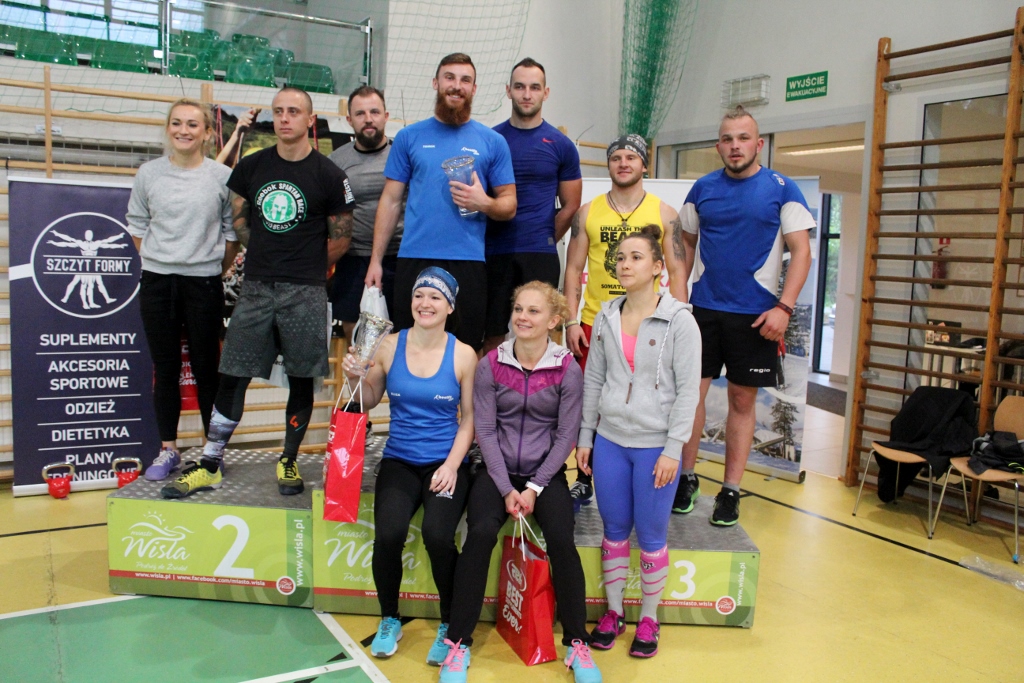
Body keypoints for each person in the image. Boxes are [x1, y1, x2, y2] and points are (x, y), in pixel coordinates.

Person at [161, 87, 355, 499]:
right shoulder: (251, 166)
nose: (285, 118)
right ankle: (210, 462)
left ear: (309, 120)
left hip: (306, 292)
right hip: (257, 288)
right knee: (233, 375)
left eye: (294, 112)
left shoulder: (330, 175)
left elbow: (341, 238)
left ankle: (288, 459)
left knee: (301, 379)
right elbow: (239, 222)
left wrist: (303, 266)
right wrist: (269, 255)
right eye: (279, 111)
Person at [438, 282, 600, 683]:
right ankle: (457, 643)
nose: (522, 318)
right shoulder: (491, 364)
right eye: (518, 309)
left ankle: (577, 643)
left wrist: (535, 487)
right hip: (497, 473)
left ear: (554, 320)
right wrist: (507, 488)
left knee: (561, 539)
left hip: (544, 476)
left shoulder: (567, 368)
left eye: (533, 311)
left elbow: (566, 435)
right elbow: (485, 430)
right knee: (480, 534)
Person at [673, 106, 813, 526]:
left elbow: (802, 252)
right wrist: (680, 301)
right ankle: (686, 478)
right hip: (702, 311)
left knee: (741, 400)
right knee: (690, 397)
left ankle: (731, 490)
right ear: (718, 146)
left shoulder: (782, 189)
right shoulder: (702, 188)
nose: (735, 146)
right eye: (727, 139)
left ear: (759, 144)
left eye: (743, 138)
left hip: (756, 316)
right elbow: (684, 245)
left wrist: (784, 308)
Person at [341, 267, 477, 665]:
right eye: (419, 295)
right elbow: (367, 400)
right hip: (399, 458)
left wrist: (452, 465)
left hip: (444, 461)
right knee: (388, 535)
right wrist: (353, 377)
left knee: (438, 536)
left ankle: (449, 624)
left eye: (435, 297)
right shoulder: (387, 345)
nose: (425, 303)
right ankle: (390, 618)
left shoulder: (464, 354)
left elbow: (470, 418)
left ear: (449, 306)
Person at [575, 225, 700, 659]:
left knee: (650, 535)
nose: (624, 264)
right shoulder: (606, 315)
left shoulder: (681, 321)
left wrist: (673, 449)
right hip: (610, 442)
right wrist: (586, 436)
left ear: (658, 267)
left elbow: (688, 393)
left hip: (655, 448)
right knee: (613, 531)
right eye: (620, 258)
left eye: (635, 257)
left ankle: (649, 617)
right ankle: (614, 612)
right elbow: (594, 380)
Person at [562, 134, 686, 509]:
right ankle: (584, 477)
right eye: (616, 157)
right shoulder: (587, 212)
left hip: (649, 326)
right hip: (595, 322)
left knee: (646, 399)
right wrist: (570, 321)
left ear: (644, 164)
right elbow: (573, 269)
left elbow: (677, 271)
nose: (623, 163)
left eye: (631, 157)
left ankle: (649, 472)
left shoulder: (666, 213)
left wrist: (678, 321)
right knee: (589, 401)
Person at [365, 52, 516, 351]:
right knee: (408, 350)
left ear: (474, 89)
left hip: (468, 261)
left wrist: (483, 202)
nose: (456, 86)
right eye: (449, 77)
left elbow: (509, 204)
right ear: (436, 83)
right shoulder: (409, 137)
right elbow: (391, 201)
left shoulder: (493, 142)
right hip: (414, 258)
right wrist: (375, 261)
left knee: (466, 351)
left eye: (465, 80)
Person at [126, 98, 238, 481]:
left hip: (204, 283)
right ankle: (168, 450)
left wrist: (206, 269)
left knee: (208, 370)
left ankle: (212, 453)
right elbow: (137, 226)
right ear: (168, 128)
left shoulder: (221, 177)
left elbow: (231, 235)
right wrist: (163, 262)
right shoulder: (149, 174)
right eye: (176, 123)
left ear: (207, 132)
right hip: (157, 283)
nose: (183, 130)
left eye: (192, 124)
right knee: (166, 368)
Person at [481, 58, 581, 353]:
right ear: (508, 90)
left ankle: (538, 385)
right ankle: (492, 385)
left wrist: (545, 236)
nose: (527, 94)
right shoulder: (490, 140)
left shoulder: (561, 145)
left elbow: (571, 205)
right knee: (491, 336)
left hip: (540, 254)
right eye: (520, 87)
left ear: (545, 93)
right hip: (494, 252)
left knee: (540, 337)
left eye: (534, 87)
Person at [328, 86, 404, 344]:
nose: (368, 119)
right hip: (354, 257)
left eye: (374, 112)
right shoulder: (336, 161)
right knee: (356, 336)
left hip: (400, 255)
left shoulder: (403, 156)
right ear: (349, 120)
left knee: (400, 336)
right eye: (360, 114)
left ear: (386, 116)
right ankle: (360, 373)